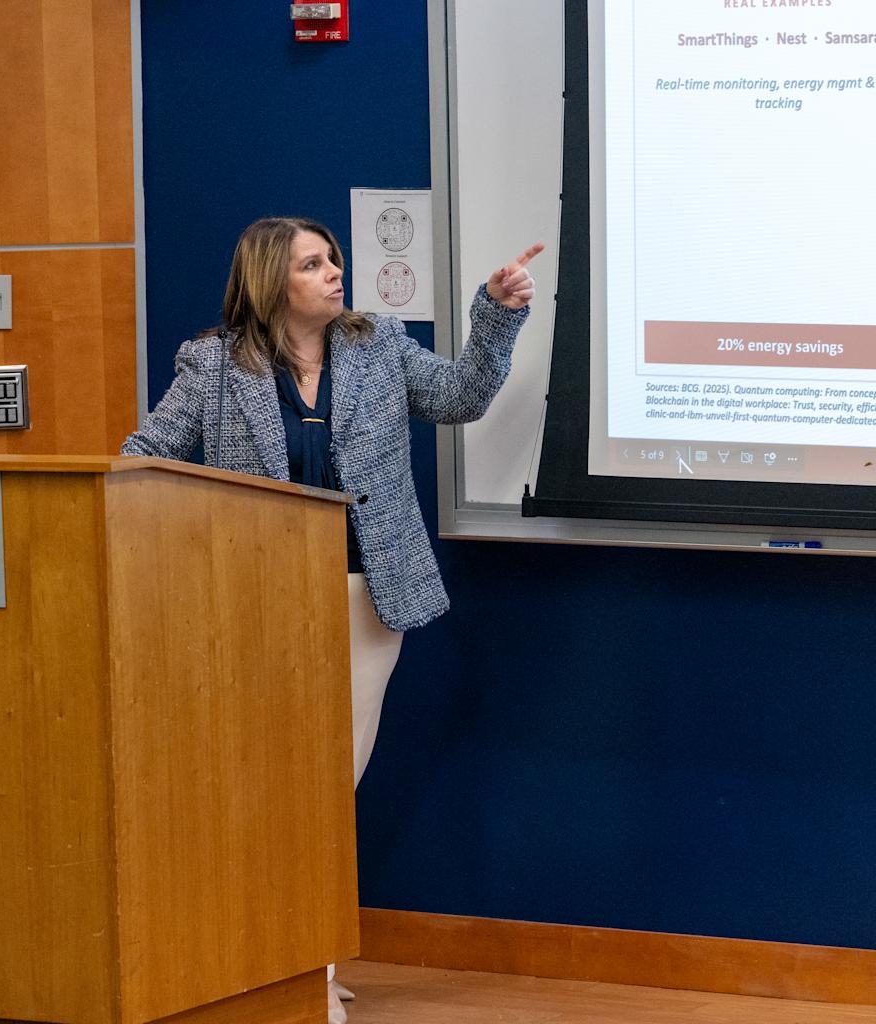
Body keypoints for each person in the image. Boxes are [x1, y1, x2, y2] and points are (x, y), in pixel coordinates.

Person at [121, 216, 541, 1023]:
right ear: (272, 279)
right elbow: (149, 453)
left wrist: (495, 309)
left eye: (334, 260)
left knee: (328, 781)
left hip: (365, 594)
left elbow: (461, 396)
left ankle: (298, 957)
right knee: (274, 786)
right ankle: (281, 961)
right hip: (256, 603)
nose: (335, 274)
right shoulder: (211, 365)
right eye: (315, 265)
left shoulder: (377, 344)